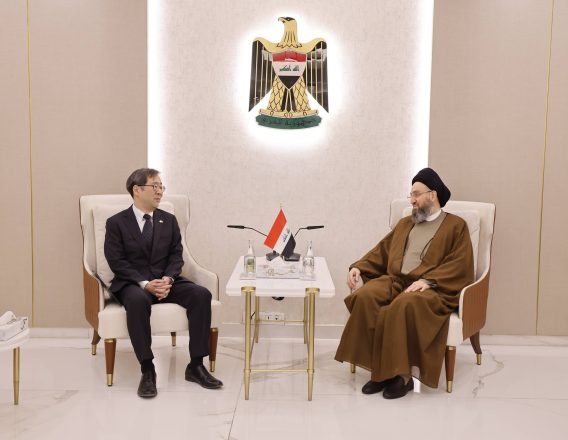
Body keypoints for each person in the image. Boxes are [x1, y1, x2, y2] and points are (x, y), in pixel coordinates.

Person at [335, 168, 474, 399]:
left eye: (416, 194)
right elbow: (381, 251)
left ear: (433, 195)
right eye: (411, 195)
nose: (412, 200)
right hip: (396, 280)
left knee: (402, 306)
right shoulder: (404, 224)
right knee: (365, 297)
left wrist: (428, 281)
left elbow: (460, 264)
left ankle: (402, 377)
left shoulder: (455, 226)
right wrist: (358, 267)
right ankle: (380, 373)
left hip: (433, 289)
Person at [104, 168, 222, 398]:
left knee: (201, 295)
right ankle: (147, 369)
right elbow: (116, 261)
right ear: (137, 190)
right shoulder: (116, 222)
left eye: (161, 187)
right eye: (155, 186)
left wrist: (168, 279)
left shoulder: (168, 220)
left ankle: (196, 365)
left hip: (166, 280)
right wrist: (145, 283)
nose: (160, 191)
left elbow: (176, 256)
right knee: (137, 301)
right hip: (133, 283)